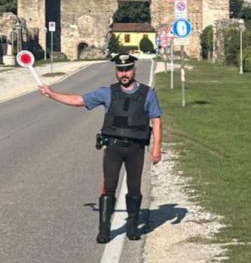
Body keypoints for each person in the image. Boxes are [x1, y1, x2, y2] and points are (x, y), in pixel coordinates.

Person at [39, 54, 162, 243]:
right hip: (113, 148)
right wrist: (52, 94)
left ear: (134, 70)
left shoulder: (148, 94)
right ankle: (104, 229)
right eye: (120, 70)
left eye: (127, 69)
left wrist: (156, 148)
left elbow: (156, 120)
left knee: (134, 188)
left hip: (136, 148)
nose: (124, 74)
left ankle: (132, 226)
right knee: (109, 187)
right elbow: (79, 100)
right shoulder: (107, 93)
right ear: (116, 71)